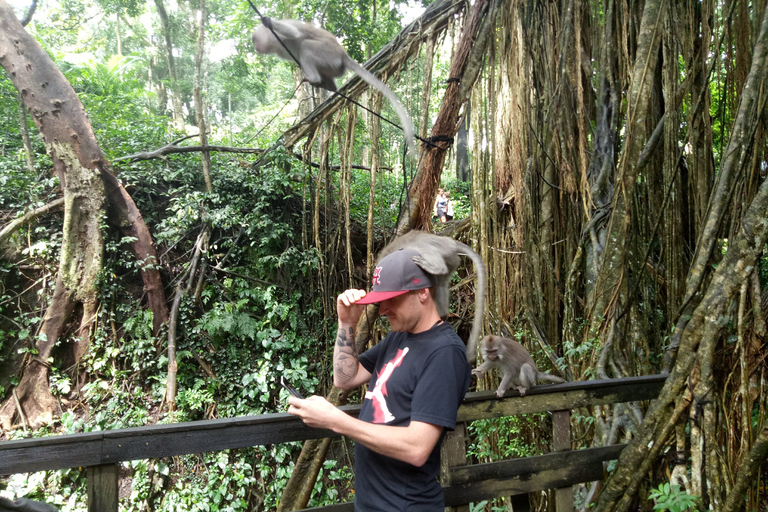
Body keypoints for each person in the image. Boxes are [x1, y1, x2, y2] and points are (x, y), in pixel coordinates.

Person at [287, 248, 471, 511]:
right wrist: (346, 323)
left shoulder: (444, 353)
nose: (383, 310)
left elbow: (417, 449)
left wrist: (337, 421)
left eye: (391, 300)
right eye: (380, 301)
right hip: (371, 503)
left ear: (423, 292)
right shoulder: (400, 336)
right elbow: (345, 377)